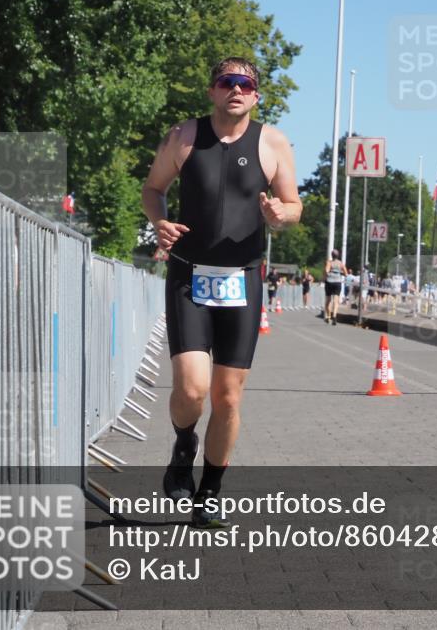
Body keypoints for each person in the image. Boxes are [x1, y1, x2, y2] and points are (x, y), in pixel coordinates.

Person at [141, 57, 301, 528]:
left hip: (243, 281)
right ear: (212, 90)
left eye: (245, 84)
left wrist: (280, 215)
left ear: (256, 95)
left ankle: (209, 491)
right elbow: (153, 189)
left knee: (228, 397)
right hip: (189, 275)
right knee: (191, 389)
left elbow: (294, 206)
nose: (236, 89)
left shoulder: (272, 142)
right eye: (226, 82)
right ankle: (184, 440)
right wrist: (159, 222)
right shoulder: (183, 137)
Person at [324, 250, 346, 324]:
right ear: (338, 255)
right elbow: (346, 274)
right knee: (336, 301)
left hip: (329, 282)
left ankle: (328, 316)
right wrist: (340, 273)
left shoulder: (329, 262)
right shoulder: (340, 263)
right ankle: (334, 316)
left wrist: (330, 272)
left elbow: (326, 271)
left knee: (328, 300)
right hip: (337, 282)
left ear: (331, 255)